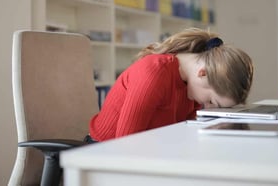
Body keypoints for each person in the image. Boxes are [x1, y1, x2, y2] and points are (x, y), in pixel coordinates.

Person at [86, 28, 254, 142]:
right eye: (212, 101)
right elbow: (127, 145)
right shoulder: (154, 74)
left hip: (146, 152)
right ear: (203, 73)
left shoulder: (192, 87)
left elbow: (182, 137)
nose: (208, 107)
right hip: (103, 154)